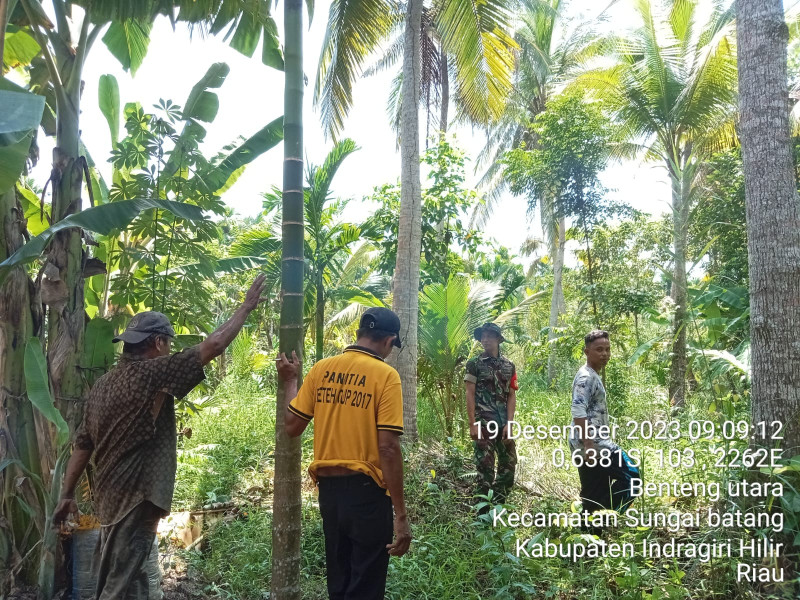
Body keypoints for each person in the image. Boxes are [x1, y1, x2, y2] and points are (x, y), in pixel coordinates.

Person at [52, 275, 269, 599]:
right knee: (117, 585)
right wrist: (246, 307)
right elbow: (214, 346)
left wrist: (66, 494)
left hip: (110, 502)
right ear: (157, 343)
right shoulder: (152, 374)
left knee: (132, 578)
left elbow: (83, 446)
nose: (170, 350)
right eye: (168, 344)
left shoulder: (102, 387)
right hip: (135, 499)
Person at [277, 307, 411, 600]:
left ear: (361, 333)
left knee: (339, 584)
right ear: (389, 341)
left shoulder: (321, 369)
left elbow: (291, 425)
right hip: (367, 496)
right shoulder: (386, 376)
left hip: (330, 495)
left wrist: (290, 381)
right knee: (366, 586)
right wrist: (400, 514)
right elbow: (388, 447)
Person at [570, 330, 639, 523]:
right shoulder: (586, 377)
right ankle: (605, 517)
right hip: (593, 444)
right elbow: (578, 410)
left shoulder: (591, 374)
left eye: (607, 349)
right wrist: (589, 445)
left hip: (586, 443)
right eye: (599, 349)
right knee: (632, 477)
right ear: (587, 351)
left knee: (593, 492)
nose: (604, 354)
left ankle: (591, 533)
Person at [464, 322, 518, 507]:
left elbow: (511, 395)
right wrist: (472, 424)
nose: (485, 339)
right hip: (484, 423)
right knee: (485, 470)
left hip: (503, 424)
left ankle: (498, 506)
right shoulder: (474, 364)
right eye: (482, 336)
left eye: (489, 336)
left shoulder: (509, 365)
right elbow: (469, 393)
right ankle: (484, 516)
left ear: (498, 339)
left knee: (508, 467)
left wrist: (510, 423)